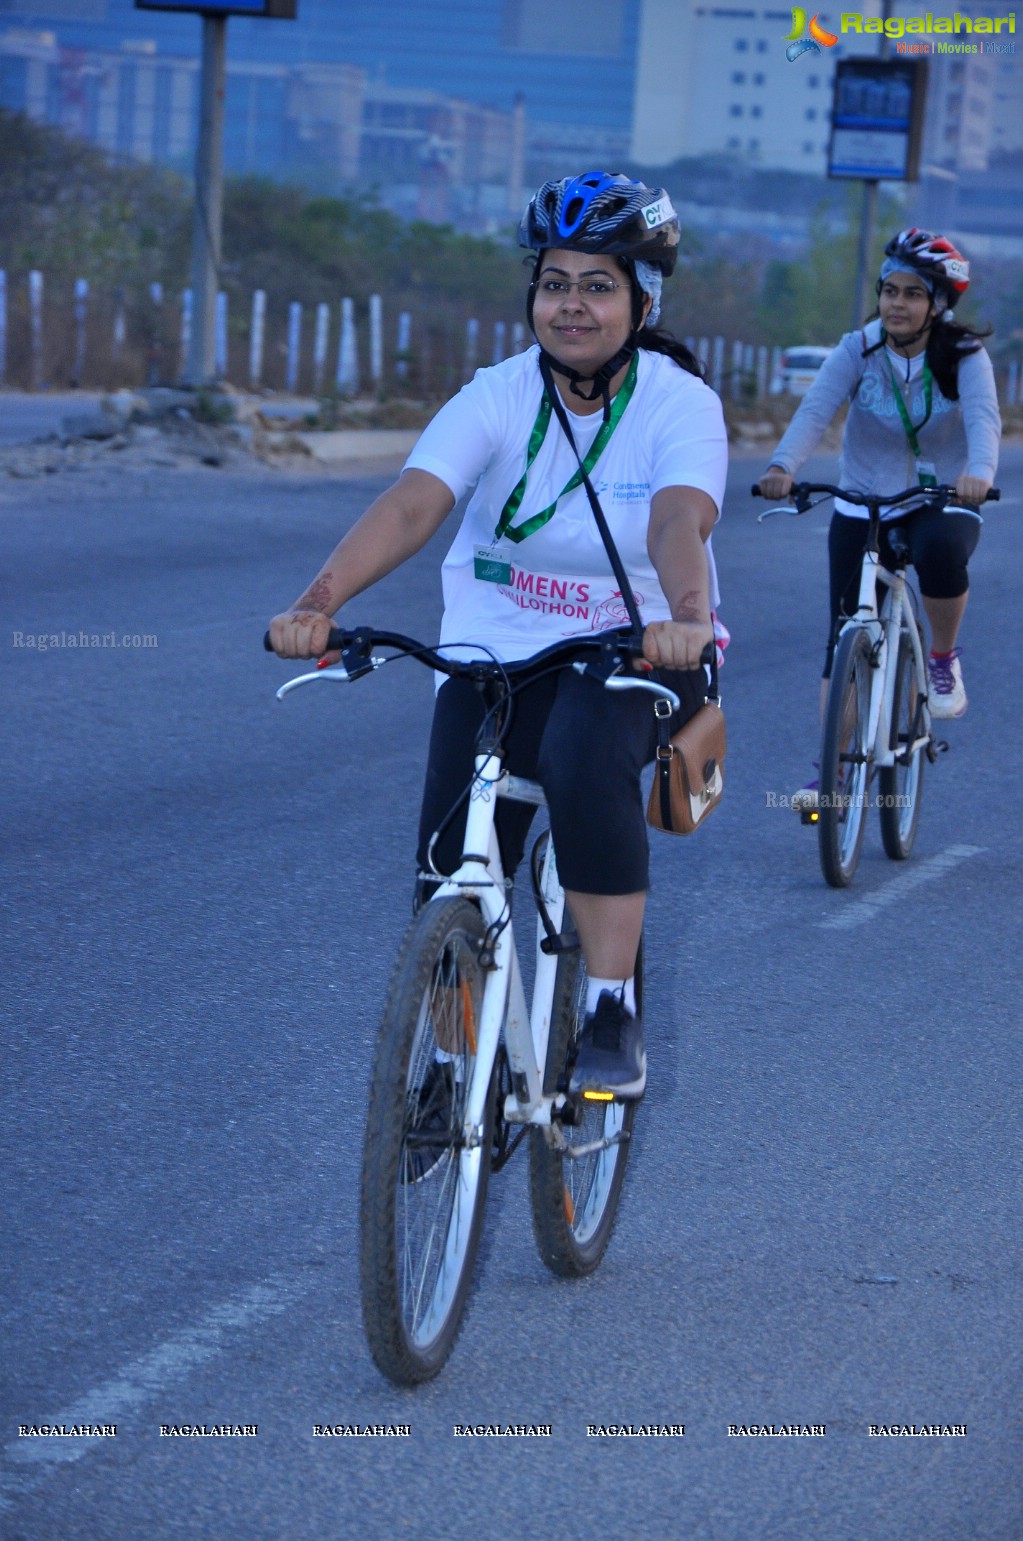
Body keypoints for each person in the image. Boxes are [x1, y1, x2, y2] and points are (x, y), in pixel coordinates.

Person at [268, 170, 728, 1098]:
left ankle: (608, 1007)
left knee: (583, 755)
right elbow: (412, 505)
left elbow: (678, 522)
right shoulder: (497, 394)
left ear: (643, 299)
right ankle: (448, 1058)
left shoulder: (679, 405)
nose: (571, 305)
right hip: (493, 651)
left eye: (598, 285)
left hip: (634, 650)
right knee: (450, 859)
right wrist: (316, 601)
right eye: (555, 283)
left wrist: (683, 619)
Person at [757, 227, 1000, 808]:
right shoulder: (857, 348)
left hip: (943, 496)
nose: (895, 303)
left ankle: (941, 659)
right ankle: (833, 777)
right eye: (888, 290)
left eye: (911, 293)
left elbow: (985, 421)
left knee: (942, 553)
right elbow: (816, 411)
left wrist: (980, 475)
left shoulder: (963, 355)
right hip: (863, 496)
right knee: (843, 633)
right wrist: (782, 465)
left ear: (937, 304)